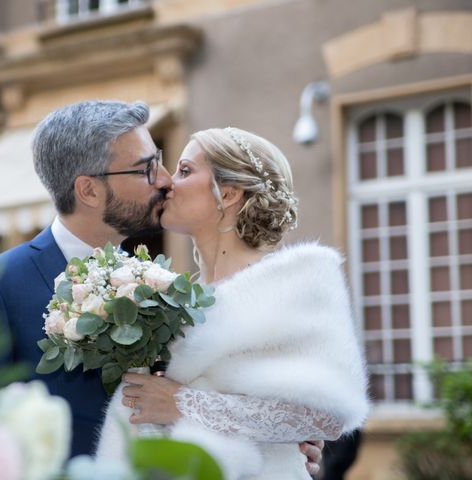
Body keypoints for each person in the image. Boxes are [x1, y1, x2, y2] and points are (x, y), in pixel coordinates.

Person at [0, 101, 326, 470]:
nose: (164, 179)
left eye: (160, 160)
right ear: (89, 190)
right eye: (145, 168)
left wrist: (275, 441)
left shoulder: (165, 287)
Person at [96, 127, 369, 479]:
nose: (167, 183)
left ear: (227, 193)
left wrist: (180, 403)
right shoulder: (168, 298)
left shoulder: (298, 283)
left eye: (185, 170)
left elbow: (328, 415)